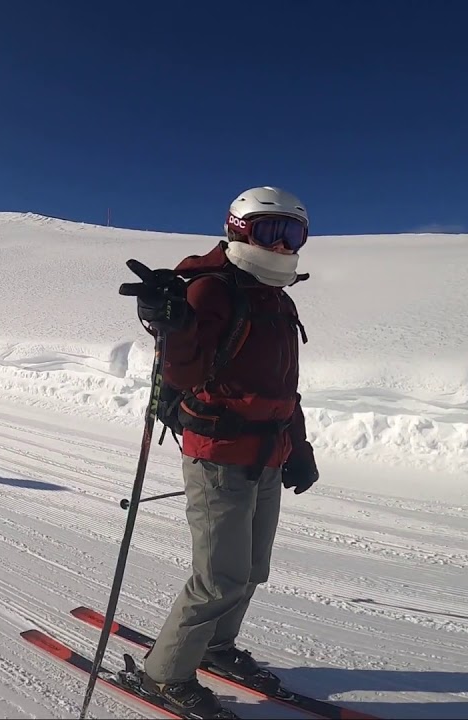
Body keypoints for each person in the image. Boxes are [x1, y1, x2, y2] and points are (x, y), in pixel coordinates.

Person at [130, 187, 320, 718]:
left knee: (252, 568)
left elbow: (287, 388)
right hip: (218, 452)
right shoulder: (209, 291)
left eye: (293, 233)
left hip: (269, 451)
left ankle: (216, 646)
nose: (282, 246)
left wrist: (298, 447)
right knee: (218, 577)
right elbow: (185, 374)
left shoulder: (279, 299)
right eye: (270, 232)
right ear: (237, 229)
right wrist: (172, 325)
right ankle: (164, 673)